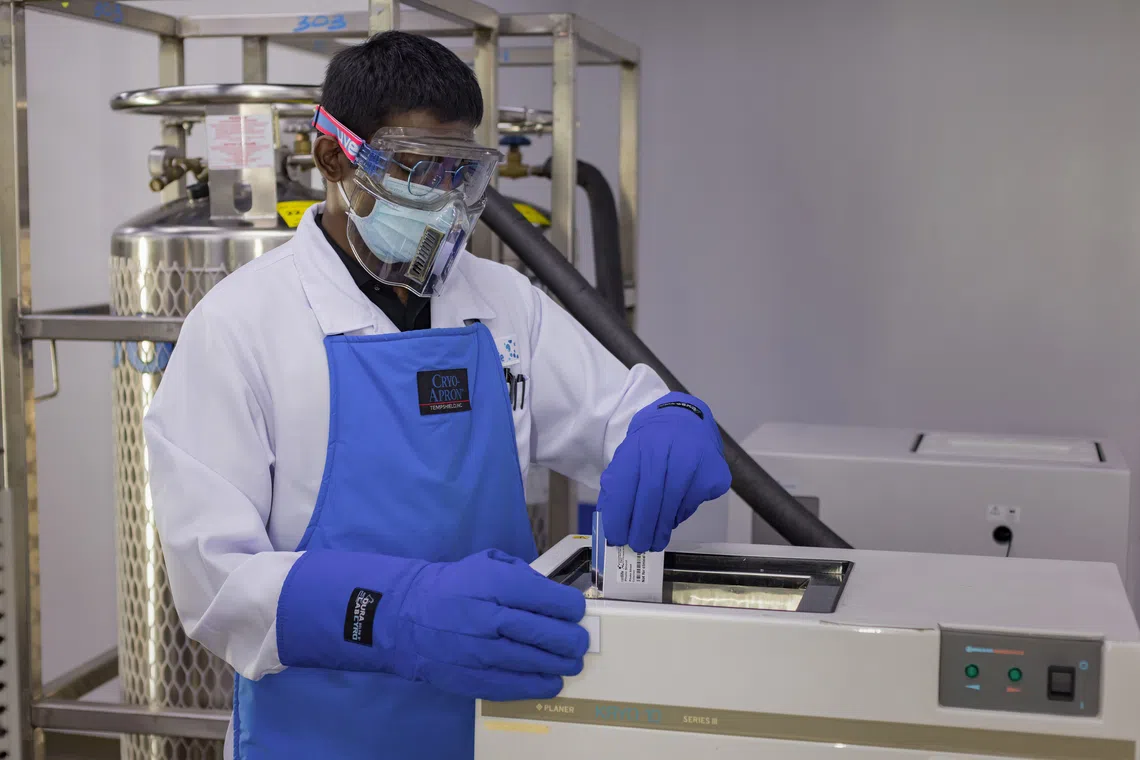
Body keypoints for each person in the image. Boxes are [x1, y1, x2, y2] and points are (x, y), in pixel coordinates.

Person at [144, 31, 732, 760]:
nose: (442, 199)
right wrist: (397, 614)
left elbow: (619, 413)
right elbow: (216, 580)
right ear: (333, 157)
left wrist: (668, 420)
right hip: (323, 735)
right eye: (416, 169)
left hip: (501, 722)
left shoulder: (502, 300)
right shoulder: (240, 326)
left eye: (460, 172)